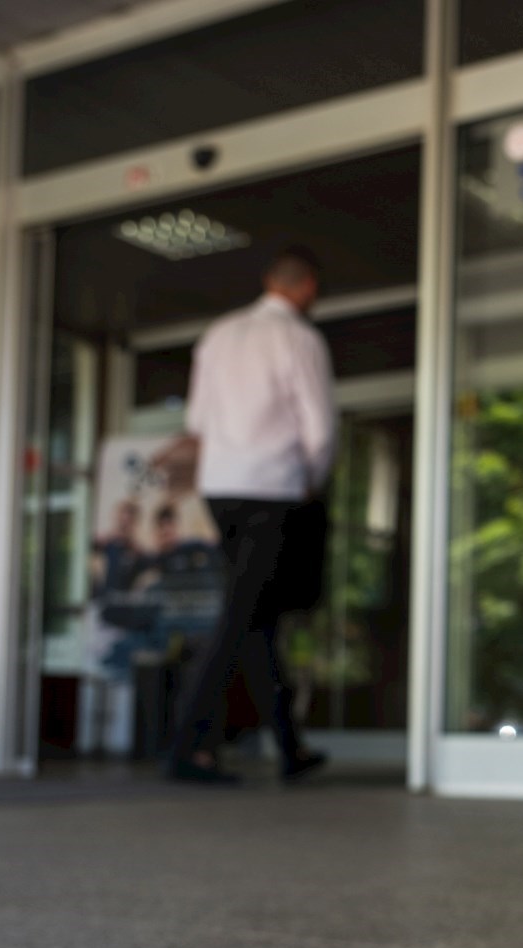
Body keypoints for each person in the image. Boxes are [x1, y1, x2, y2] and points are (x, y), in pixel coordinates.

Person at [165, 245, 335, 784]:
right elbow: (321, 427)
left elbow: (196, 419)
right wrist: (312, 481)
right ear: (305, 288)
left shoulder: (217, 335)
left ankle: (290, 747)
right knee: (240, 615)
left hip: (222, 489)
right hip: (273, 490)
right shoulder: (300, 338)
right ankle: (187, 747)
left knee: (255, 616)